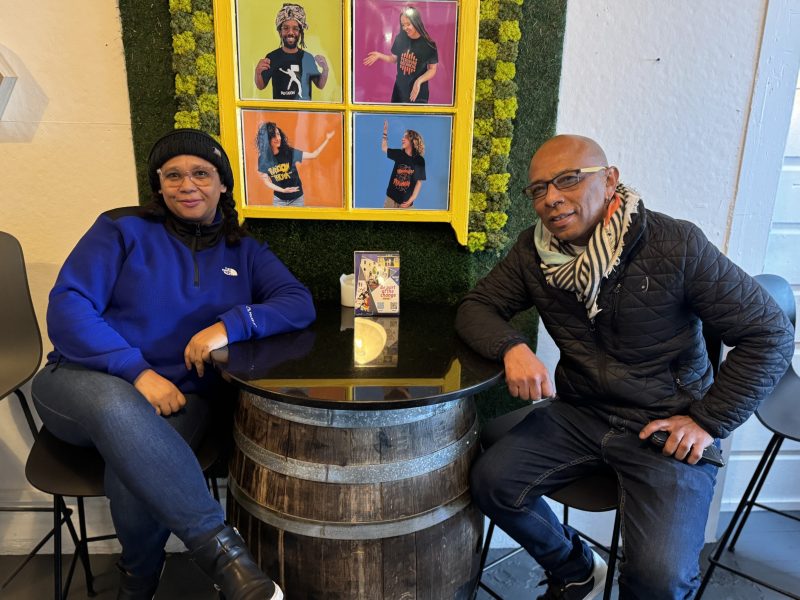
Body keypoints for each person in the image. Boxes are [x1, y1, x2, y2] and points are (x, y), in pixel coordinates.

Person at [456, 134, 794, 600]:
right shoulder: (533, 251)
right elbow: (477, 307)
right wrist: (512, 346)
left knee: (659, 580)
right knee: (491, 483)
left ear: (610, 180)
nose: (551, 198)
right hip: (580, 412)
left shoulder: (675, 243)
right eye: (538, 189)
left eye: (568, 180)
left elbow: (770, 333)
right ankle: (575, 570)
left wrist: (707, 420)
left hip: (664, 427)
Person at [31, 128, 316, 600]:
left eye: (201, 173)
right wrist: (136, 372)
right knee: (118, 407)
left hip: (182, 395)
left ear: (222, 184)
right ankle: (225, 557)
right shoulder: (120, 229)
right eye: (174, 175)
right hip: (82, 384)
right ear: (158, 185)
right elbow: (68, 306)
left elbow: (297, 302)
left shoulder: (243, 250)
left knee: (133, 469)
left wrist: (228, 326)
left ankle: (137, 582)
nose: (188, 185)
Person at [363, 6, 438, 103]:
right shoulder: (400, 39)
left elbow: (432, 69)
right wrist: (379, 55)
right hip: (399, 90)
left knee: (414, 117)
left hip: (418, 93)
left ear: (416, 22)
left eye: (408, 24)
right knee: (395, 118)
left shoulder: (428, 44)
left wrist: (418, 81)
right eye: (403, 25)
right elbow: (394, 59)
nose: (405, 28)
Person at [254, 3, 329, 100]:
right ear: (280, 32)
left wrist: (325, 69)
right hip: (280, 113)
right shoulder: (272, 57)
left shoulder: (307, 58)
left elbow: (320, 85)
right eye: (285, 28)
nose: (290, 32)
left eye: (295, 29)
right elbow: (261, 86)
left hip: (304, 113)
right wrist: (257, 73)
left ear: (300, 32)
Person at [256, 121, 334, 207]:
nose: (278, 138)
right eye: (273, 136)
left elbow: (314, 154)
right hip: (279, 200)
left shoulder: (289, 152)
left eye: (278, 134)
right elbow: (266, 181)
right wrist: (283, 190)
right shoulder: (263, 159)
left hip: (297, 199)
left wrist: (327, 139)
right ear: (267, 139)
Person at [381, 120, 425, 208]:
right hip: (391, 199)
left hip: (406, 203)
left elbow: (419, 182)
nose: (402, 139)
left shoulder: (419, 160)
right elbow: (384, 148)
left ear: (413, 141)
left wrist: (411, 199)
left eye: (405, 137)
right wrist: (385, 133)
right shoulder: (399, 154)